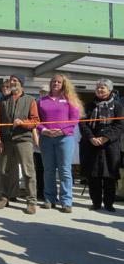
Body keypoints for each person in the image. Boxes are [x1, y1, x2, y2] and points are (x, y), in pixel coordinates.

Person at [0, 74, 39, 214]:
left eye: (15, 80)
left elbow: (35, 121)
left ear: (21, 83)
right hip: (6, 140)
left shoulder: (30, 100)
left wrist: (23, 123)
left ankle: (31, 201)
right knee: (4, 171)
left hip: (24, 140)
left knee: (28, 172)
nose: (12, 83)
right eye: (11, 80)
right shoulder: (3, 100)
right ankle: (5, 197)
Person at [37, 74, 82, 213]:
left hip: (64, 139)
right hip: (46, 139)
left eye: (58, 82)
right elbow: (36, 120)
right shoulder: (41, 101)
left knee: (65, 170)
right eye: (53, 81)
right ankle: (50, 199)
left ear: (63, 84)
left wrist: (62, 131)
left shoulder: (69, 100)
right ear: (50, 84)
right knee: (49, 170)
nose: (55, 83)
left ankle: (66, 201)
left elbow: (74, 120)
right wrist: (44, 130)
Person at [79, 79, 124, 212]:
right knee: (94, 176)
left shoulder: (118, 106)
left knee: (110, 176)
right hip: (92, 145)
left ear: (109, 90)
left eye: (103, 87)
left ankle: (109, 203)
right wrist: (91, 137)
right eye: (98, 87)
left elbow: (119, 126)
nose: (99, 90)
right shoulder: (89, 105)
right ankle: (96, 203)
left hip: (110, 145)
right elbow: (83, 124)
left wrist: (105, 138)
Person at [0, 79, 12, 199]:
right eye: (3, 87)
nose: (5, 88)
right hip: (2, 139)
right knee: (1, 168)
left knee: (13, 168)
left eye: (8, 86)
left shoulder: (17, 101)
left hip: (15, 139)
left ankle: (13, 194)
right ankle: (0, 193)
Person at [34, 84, 49, 200]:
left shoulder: (52, 104)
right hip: (38, 142)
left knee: (50, 169)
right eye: (42, 92)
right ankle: (40, 193)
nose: (44, 94)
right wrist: (36, 139)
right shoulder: (36, 104)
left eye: (46, 92)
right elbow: (34, 124)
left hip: (50, 140)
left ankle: (49, 193)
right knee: (39, 169)